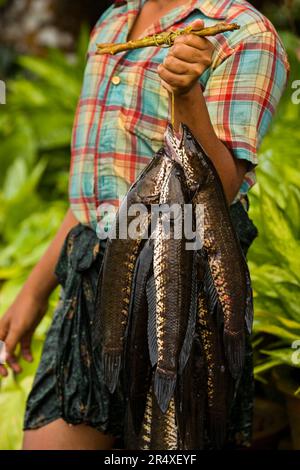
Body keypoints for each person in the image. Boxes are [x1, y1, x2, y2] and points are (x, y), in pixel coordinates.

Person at [0, 0, 289, 450]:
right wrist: (35, 292)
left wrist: (188, 95)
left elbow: (217, 196)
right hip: (91, 285)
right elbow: (94, 196)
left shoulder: (245, 34)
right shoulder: (113, 22)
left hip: (178, 292)